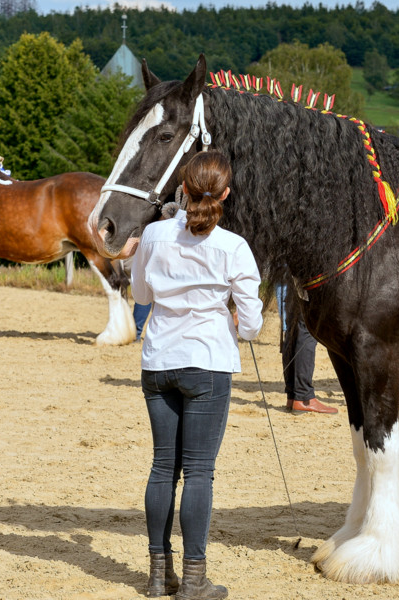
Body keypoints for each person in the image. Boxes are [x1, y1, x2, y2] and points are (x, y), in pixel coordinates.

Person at [131, 151, 263, 600]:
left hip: (159, 360)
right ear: (226, 194)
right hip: (207, 360)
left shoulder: (152, 234)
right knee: (200, 473)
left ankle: (156, 574)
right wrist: (234, 323)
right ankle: (193, 579)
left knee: (162, 467)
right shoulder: (234, 246)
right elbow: (252, 324)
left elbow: (141, 293)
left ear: (181, 190)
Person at [276, 282, 338, 414]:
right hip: (305, 275)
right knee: (307, 328)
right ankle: (304, 397)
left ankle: (293, 395)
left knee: (293, 326)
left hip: (291, 275)